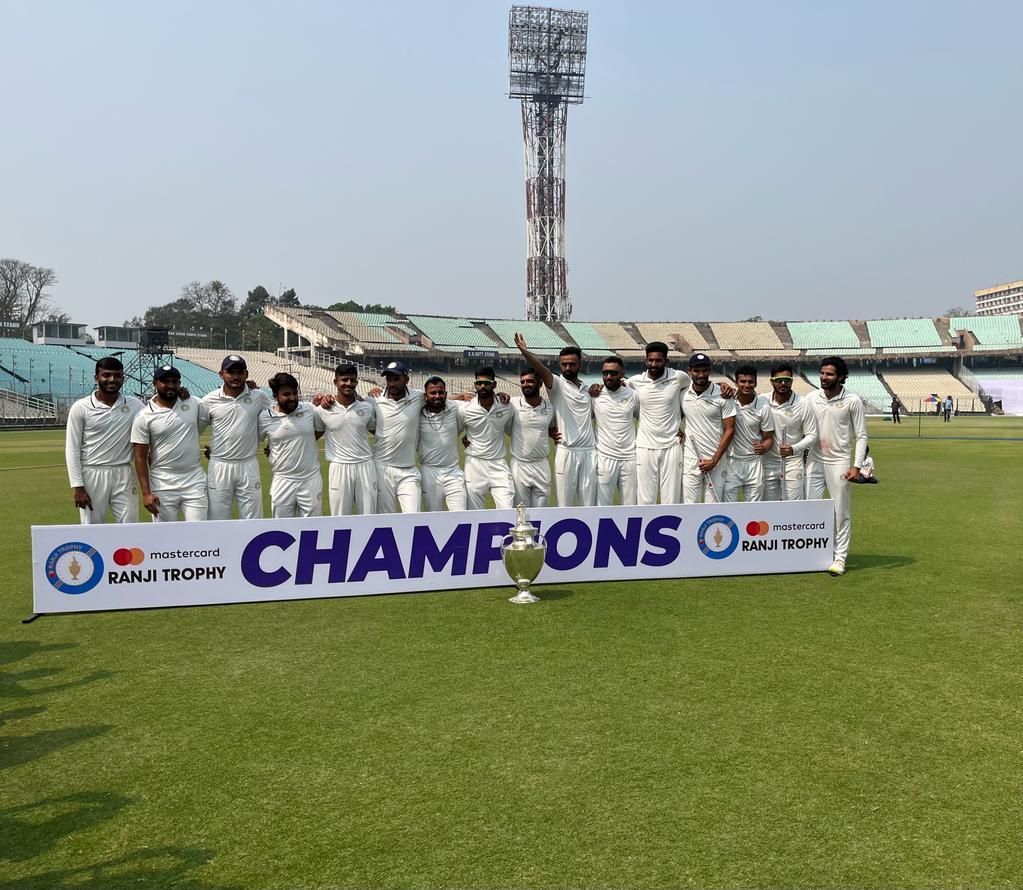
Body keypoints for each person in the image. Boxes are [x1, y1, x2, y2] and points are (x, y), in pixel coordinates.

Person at [515, 334, 597, 507]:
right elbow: (542, 369)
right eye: (564, 364)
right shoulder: (558, 385)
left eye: (572, 364)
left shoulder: (587, 390)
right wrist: (524, 351)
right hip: (567, 451)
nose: (567, 367)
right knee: (564, 505)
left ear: (580, 365)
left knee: (589, 504)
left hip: (590, 452)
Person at [805, 355, 868, 576]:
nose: (824, 377)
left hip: (839, 462)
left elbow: (861, 436)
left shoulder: (852, 400)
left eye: (829, 374)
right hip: (814, 460)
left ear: (841, 377)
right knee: (811, 509)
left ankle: (840, 558)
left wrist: (857, 467)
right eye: (822, 373)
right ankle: (821, 552)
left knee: (840, 512)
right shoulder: (812, 397)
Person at [65, 356, 144, 524]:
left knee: (130, 526)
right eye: (106, 375)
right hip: (92, 473)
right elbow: (72, 449)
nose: (112, 380)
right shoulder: (81, 407)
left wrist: (182, 397)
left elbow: (156, 414)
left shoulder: (135, 405)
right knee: (92, 529)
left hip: (123, 472)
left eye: (117, 375)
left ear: (123, 378)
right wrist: (78, 487)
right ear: (96, 378)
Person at [197, 355, 271, 520]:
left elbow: (279, 416)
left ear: (246, 374)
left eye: (240, 372)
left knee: (253, 519)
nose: (236, 377)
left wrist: (274, 443)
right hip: (220, 465)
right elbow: (194, 430)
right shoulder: (209, 400)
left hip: (248, 464)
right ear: (221, 374)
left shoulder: (258, 396)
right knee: (217, 519)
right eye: (231, 372)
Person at [131, 364, 207, 522]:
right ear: (155, 383)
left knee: (199, 534)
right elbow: (140, 457)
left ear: (180, 383)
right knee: (165, 538)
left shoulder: (193, 403)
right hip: (162, 482)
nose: (170, 385)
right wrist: (146, 493)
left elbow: (220, 417)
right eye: (165, 382)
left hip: (194, 480)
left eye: (174, 381)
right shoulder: (144, 416)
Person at [627, 341, 690, 505]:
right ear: (645, 361)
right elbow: (614, 389)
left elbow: (693, 395)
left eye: (658, 360)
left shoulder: (679, 378)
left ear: (666, 361)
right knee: (645, 501)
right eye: (651, 360)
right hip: (645, 446)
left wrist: (681, 423)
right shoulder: (634, 382)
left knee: (671, 500)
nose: (654, 364)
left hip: (672, 445)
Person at [258, 372, 325, 518]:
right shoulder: (265, 417)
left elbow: (319, 431)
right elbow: (252, 442)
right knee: (282, 530)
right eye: (286, 394)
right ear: (275, 396)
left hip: (310, 479)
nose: (293, 398)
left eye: (295, 393)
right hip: (283, 480)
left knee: (312, 530)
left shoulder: (308, 409)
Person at [315, 364, 378, 516]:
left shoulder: (367, 407)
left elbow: (380, 432)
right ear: (335, 382)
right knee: (340, 517)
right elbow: (311, 438)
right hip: (339, 466)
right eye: (344, 380)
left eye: (352, 380)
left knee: (369, 515)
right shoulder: (322, 410)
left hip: (365, 465)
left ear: (357, 382)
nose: (348, 384)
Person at [457, 367, 516, 510]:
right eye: (478, 383)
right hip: (474, 464)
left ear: (494, 384)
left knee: (507, 509)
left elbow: (511, 429)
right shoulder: (465, 409)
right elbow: (455, 431)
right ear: (475, 384)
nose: (482, 386)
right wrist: (465, 438)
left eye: (487, 383)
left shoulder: (507, 407)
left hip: (498, 463)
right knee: (475, 513)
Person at [368, 360, 423, 513]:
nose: (392, 383)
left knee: (413, 518)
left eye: (396, 379)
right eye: (389, 379)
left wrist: (462, 396)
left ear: (406, 379)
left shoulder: (417, 397)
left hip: (409, 470)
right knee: (386, 522)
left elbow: (437, 399)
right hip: (382, 468)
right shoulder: (375, 400)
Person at [680, 353, 736, 504]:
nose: (701, 375)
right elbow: (673, 417)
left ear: (710, 370)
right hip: (691, 459)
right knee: (690, 506)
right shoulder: (683, 393)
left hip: (716, 460)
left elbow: (730, 430)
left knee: (712, 507)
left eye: (704, 370)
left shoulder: (723, 395)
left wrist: (714, 460)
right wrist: (678, 431)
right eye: (697, 371)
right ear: (689, 371)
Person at [762, 363, 817, 502]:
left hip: (792, 462)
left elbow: (812, 435)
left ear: (792, 381)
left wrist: (793, 449)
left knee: (793, 507)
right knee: (768, 509)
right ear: (772, 381)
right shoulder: (762, 400)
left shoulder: (803, 404)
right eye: (779, 380)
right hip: (768, 462)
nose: (783, 383)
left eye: (787, 380)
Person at [722, 365, 774, 502]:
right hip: (732, 461)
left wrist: (764, 447)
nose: (747, 385)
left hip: (754, 462)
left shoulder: (763, 405)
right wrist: (721, 383)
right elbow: (711, 387)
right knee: (729, 508)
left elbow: (769, 438)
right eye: (743, 381)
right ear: (736, 383)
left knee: (754, 510)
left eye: (750, 382)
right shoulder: (728, 400)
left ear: (756, 383)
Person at [593, 356, 639, 506]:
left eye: (613, 373)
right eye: (605, 373)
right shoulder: (595, 396)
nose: (608, 377)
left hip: (629, 458)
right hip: (604, 457)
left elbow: (645, 420)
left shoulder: (632, 395)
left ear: (621, 374)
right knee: (603, 507)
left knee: (631, 506)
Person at [418, 376, 467, 512]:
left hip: (453, 472)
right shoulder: (417, 412)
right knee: (433, 519)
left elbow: (477, 411)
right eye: (433, 393)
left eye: (440, 392)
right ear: (425, 395)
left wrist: (469, 435)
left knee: (461, 517)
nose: (437, 396)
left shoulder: (455, 407)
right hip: (429, 472)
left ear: (446, 394)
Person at [509, 368, 557, 508]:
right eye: (522, 382)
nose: (525, 384)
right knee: (520, 512)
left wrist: (553, 434)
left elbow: (551, 428)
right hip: (519, 465)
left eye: (530, 381)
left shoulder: (550, 407)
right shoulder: (512, 403)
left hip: (541, 464)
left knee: (542, 511)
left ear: (540, 383)